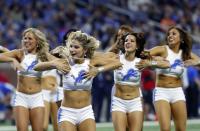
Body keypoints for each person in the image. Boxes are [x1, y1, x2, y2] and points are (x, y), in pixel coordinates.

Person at [34, 31, 122, 131]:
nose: (72, 50)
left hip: (86, 112)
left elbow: (118, 63)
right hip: (67, 113)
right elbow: (37, 67)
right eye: (71, 46)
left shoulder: (91, 62)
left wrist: (98, 70)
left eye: (76, 47)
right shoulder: (64, 62)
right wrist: (54, 64)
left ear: (84, 50)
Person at [136, 26, 200, 131]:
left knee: (181, 129)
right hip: (162, 92)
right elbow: (144, 54)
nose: (170, 36)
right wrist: (147, 58)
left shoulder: (184, 53)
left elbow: (198, 61)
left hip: (177, 92)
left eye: (174, 34)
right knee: (165, 129)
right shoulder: (162, 49)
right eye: (169, 34)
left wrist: (194, 62)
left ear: (181, 38)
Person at [0, 28, 49, 131]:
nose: (26, 40)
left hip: (37, 98)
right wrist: (11, 59)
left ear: (37, 41)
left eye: (30, 38)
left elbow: (61, 62)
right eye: (25, 38)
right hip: (21, 97)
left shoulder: (43, 56)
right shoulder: (19, 53)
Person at [111, 32, 147, 131]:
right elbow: (100, 57)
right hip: (119, 102)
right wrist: (98, 70)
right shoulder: (116, 58)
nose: (128, 42)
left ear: (137, 45)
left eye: (132, 41)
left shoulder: (141, 61)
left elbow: (166, 63)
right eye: (126, 41)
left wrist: (150, 62)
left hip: (135, 102)